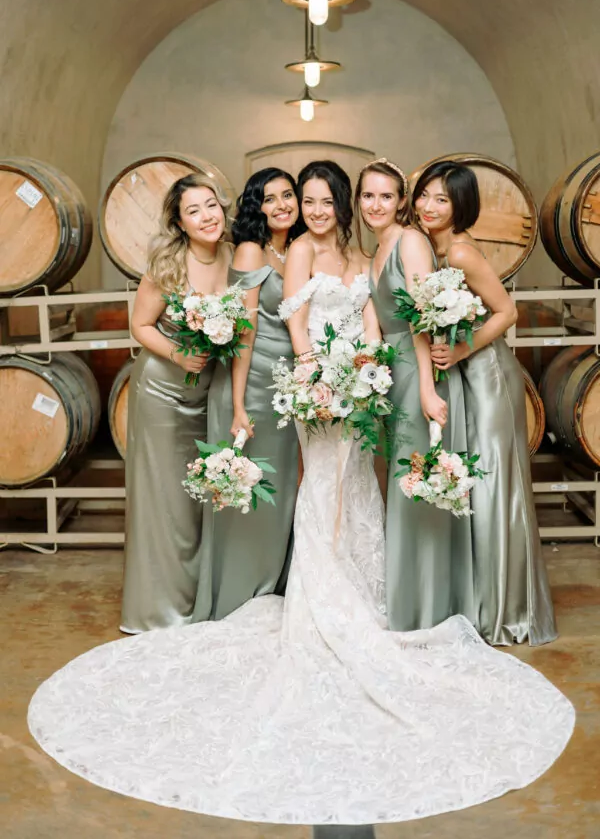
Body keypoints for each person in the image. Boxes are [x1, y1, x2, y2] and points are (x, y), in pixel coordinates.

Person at [27, 163, 573, 828]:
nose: (314, 209)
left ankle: (365, 590)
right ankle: (321, 598)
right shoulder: (298, 257)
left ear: (343, 204)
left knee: (358, 489)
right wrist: (319, 376)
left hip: (363, 383)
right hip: (316, 387)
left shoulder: (365, 253)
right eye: (303, 199)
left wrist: (367, 369)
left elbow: (373, 315)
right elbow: (294, 322)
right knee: (321, 490)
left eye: (323, 200)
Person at [413, 159, 557, 646]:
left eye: (442, 199)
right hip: (462, 376)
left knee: (495, 485)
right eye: (425, 195)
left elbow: (507, 311)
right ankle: (477, 601)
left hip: (488, 375)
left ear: (461, 206)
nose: (429, 206)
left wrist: (461, 350)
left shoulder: (459, 252)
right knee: (471, 483)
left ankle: (508, 611)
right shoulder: (428, 247)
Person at [356, 157, 474, 631]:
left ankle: (427, 606)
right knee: (402, 482)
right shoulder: (376, 250)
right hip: (392, 373)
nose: (376, 204)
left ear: (401, 201)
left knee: (416, 479)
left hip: (416, 370)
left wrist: (426, 389)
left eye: (386, 196)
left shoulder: (410, 241)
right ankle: (407, 598)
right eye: (368, 195)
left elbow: (421, 319)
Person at [120, 172, 232, 633]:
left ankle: (198, 599)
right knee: (164, 497)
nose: (207, 217)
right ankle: (159, 609)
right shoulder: (168, 265)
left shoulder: (235, 256)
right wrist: (178, 353)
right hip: (163, 391)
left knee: (202, 496)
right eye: (193, 211)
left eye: (211, 206)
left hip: (210, 392)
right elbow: (139, 326)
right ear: (180, 223)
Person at [192, 168, 303, 621]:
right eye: (269, 198)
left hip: (286, 389)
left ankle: (271, 590)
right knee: (247, 494)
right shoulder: (250, 249)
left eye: (288, 195)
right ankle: (238, 598)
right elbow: (245, 331)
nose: (282, 205)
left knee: (279, 495)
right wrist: (237, 405)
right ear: (256, 207)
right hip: (251, 384)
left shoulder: (296, 249)